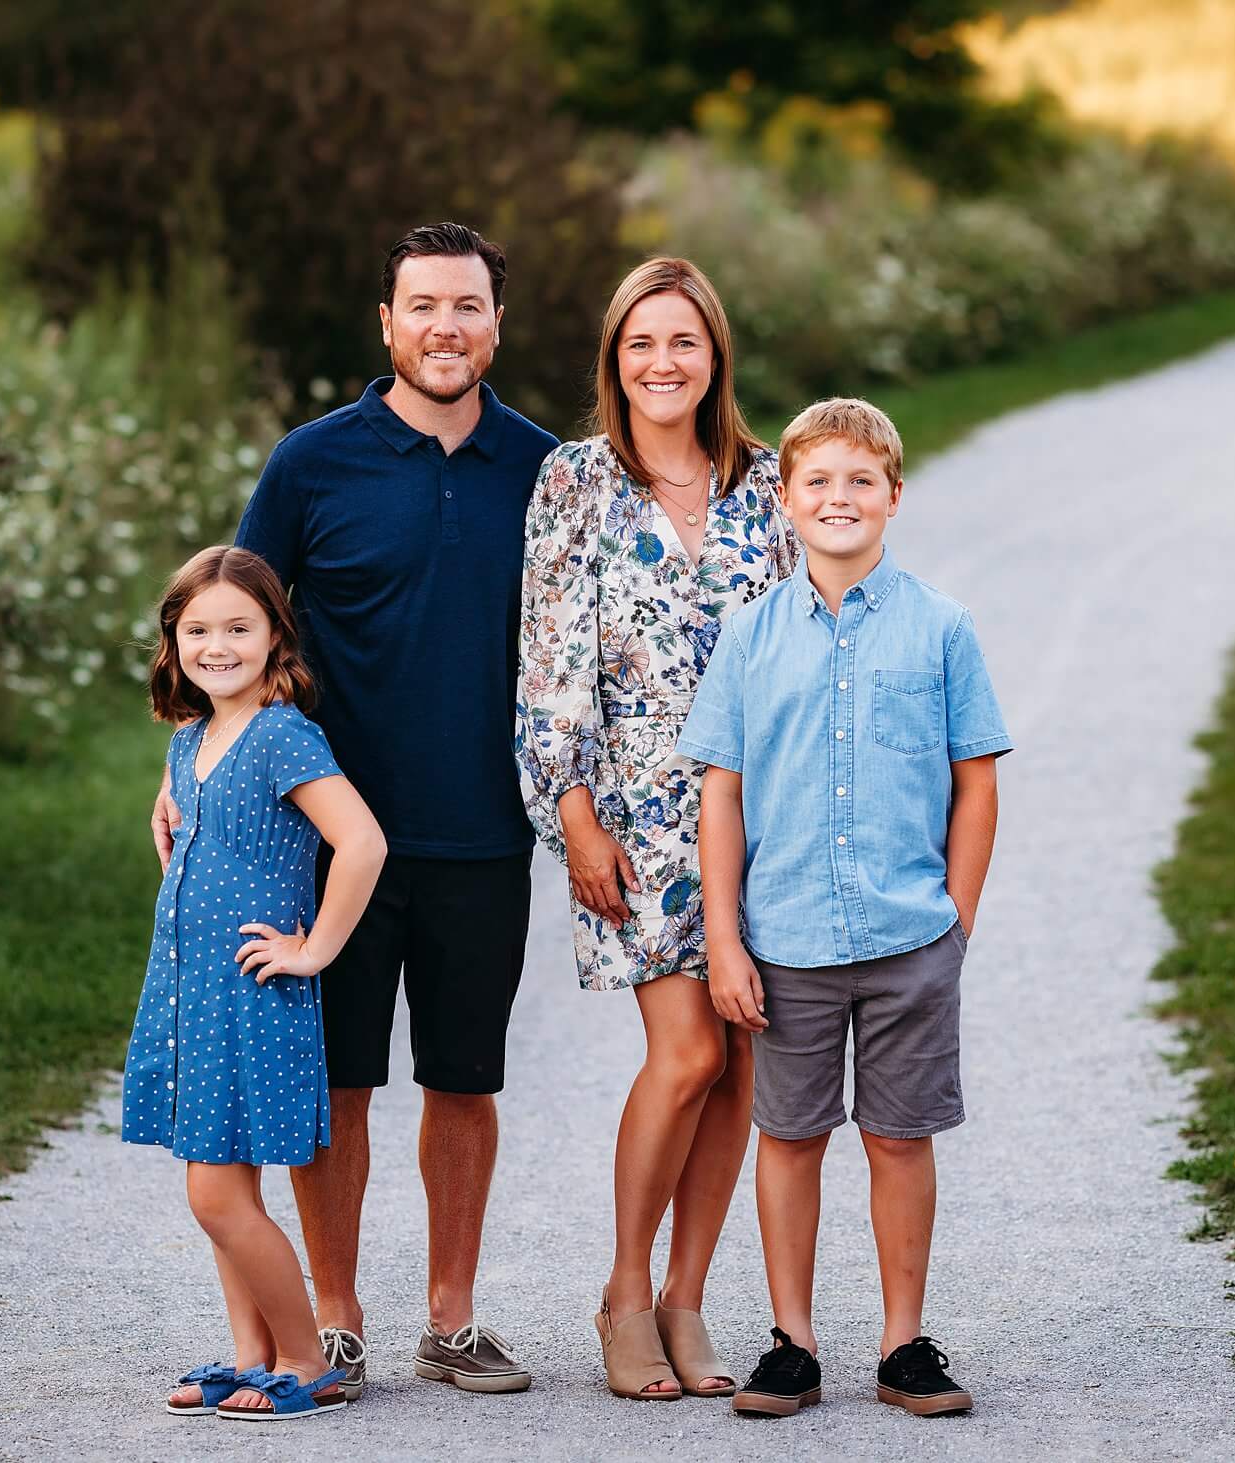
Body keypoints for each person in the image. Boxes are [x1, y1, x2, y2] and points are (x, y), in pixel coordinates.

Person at [154, 223, 555, 1396]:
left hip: (484, 826)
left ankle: (451, 1315)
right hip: (322, 842)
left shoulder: (545, 468)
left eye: (468, 306)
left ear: (496, 323)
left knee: (463, 1079)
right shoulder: (311, 462)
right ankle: (332, 1319)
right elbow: (227, 627)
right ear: (384, 323)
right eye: (422, 305)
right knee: (337, 1085)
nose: (446, 326)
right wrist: (182, 769)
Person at [676, 398, 1013, 1420]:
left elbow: (976, 782)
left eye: (859, 480)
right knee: (788, 1135)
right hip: (785, 940)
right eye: (816, 481)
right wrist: (724, 937)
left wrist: (952, 920)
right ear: (783, 500)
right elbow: (722, 792)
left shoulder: (940, 626)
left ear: (893, 496)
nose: (837, 498)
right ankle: (791, 1340)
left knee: (900, 1137)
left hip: (909, 935)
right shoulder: (749, 635)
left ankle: (902, 1341)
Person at [517, 257, 796, 1401]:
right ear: (613, 359)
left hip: (761, 812)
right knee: (682, 1052)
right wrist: (574, 818)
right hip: (632, 814)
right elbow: (546, 667)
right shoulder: (573, 481)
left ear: (713, 355)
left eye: (682, 342)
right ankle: (623, 1296)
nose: (660, 363)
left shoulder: (767, 481)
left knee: (739, 1058)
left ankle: (688, 1299)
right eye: (640, 343)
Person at [125, 545, 388, 1422]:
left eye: (239, 627)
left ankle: (307, 1359)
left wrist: (312, 950)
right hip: (191, 989)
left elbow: (362, 842)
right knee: (223, 1187)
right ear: (174, 641)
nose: (217, 644)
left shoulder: (282, 734)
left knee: (216, 1193)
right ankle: (251, 1357)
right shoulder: (192, 738)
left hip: (250, 992)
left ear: (276, 634)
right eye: (198, 629)